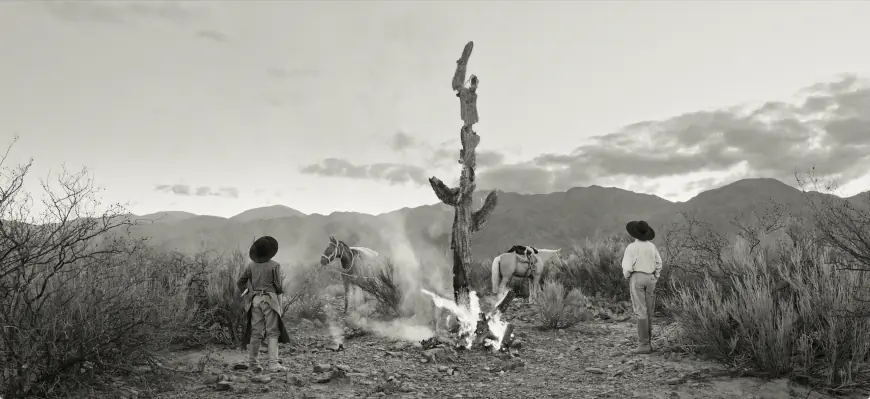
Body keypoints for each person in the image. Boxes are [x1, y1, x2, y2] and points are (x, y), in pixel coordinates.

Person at [237, 236, 291, 372]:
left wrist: (248, 294)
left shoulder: (251, 266)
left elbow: (240, 282)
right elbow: (278, 287)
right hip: (270, 300)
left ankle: (253, 363)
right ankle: (273, 363)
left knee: (256, 332)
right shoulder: (275, 266)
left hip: (255, 301)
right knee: (273, 332)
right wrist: (280, 305)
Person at [621, 220, 662, 355]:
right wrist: (655, 276)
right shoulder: (652, 246)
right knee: (649, 309)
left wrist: (628, 276)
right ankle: (648, 343)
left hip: (637, 277)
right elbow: (659, 263)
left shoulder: (631, 247)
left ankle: (643, 344)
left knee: (640, 309)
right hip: (650, 278)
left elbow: (627, 267)